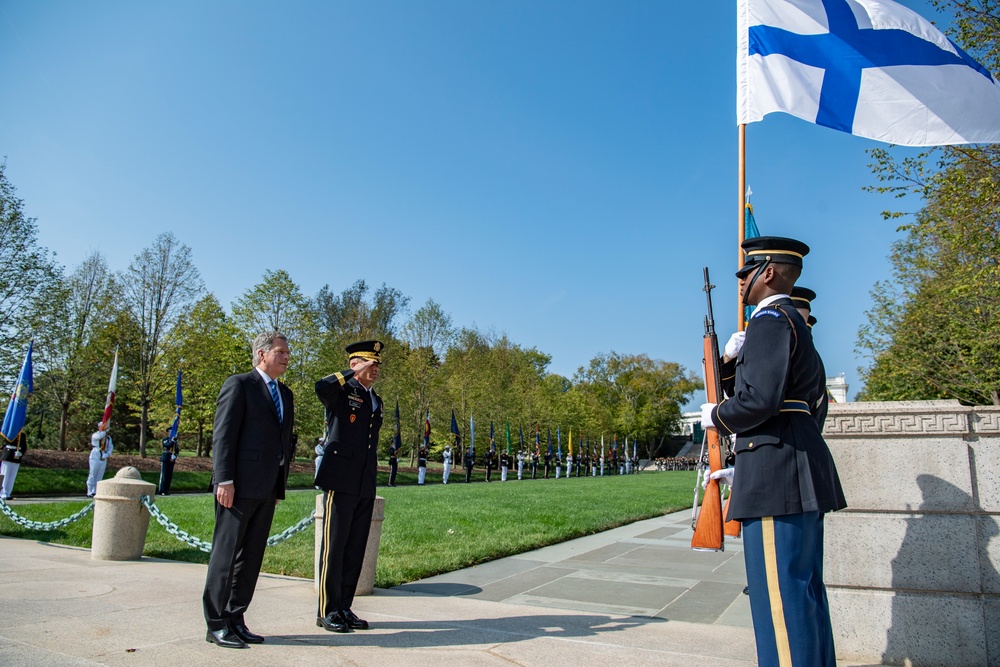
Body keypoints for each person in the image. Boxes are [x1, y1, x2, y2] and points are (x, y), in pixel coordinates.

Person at [700, 236, 846, 667]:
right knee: (803, 593)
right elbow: (798, 406)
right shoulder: (791, 323)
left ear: (766, 273)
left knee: (779, 600)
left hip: (775, 473)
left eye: (746, 273)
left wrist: (715, 416)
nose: (740, 281)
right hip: (792, 465)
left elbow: (759, 401)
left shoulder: (769, 320)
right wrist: (727, 365)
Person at [203, 331, 294, 649]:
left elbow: (284, 444)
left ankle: (235, 617)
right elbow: (223, 436)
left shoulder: (286, 394)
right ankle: (215, 623)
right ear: (261, 354)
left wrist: (278, 486)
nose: (286, 357)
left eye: (287, 352)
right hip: (237, 487)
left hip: (267, 488)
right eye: (281, 352)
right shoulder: (239, 385)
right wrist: (224, 479)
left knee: (251, 557)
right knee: (226, 556)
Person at [314, 340, 384, 634]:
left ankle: (344, 606)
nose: (375, 369)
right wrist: (349, 372)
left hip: (364, 481)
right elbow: (321, 386)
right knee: (335, 546)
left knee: (355, 548)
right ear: (355, 365)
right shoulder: (342, 392)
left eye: (378, 365)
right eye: (369, 364)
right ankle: (327, 610)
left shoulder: (374, 398)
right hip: (340, 479)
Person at [86, 424, 113, 498]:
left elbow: (110, 447)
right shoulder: (95, 435)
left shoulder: (108, 438)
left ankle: (95, 491)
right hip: (95, 454)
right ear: (99, 427)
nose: (104, 428)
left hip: (103, 455)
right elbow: (100, 437)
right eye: (102, 427)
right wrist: (104, 431)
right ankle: (89, 491)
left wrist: (107, 454)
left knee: (99, 474)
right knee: (93, 473)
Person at [0, 431, 27, 500]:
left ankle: (8, 493)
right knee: (5, 475)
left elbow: (24, 446)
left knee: (12, 476)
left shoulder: (22, 435)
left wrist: (21, 453)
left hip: (17, 457)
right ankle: (2, 492)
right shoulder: (9, 432)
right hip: (8, 455)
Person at [158, 429, 180, 495]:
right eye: (170, 432)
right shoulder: (165, 439)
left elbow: (177, 450)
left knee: (169, 476)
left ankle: (166, 490)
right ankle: (161, 490)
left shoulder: (175, 441)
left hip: (171, 459)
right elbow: (167, 445)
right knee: (164, 475)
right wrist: (173, 441)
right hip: (165, 458)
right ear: (168, 433)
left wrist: (175, 456)